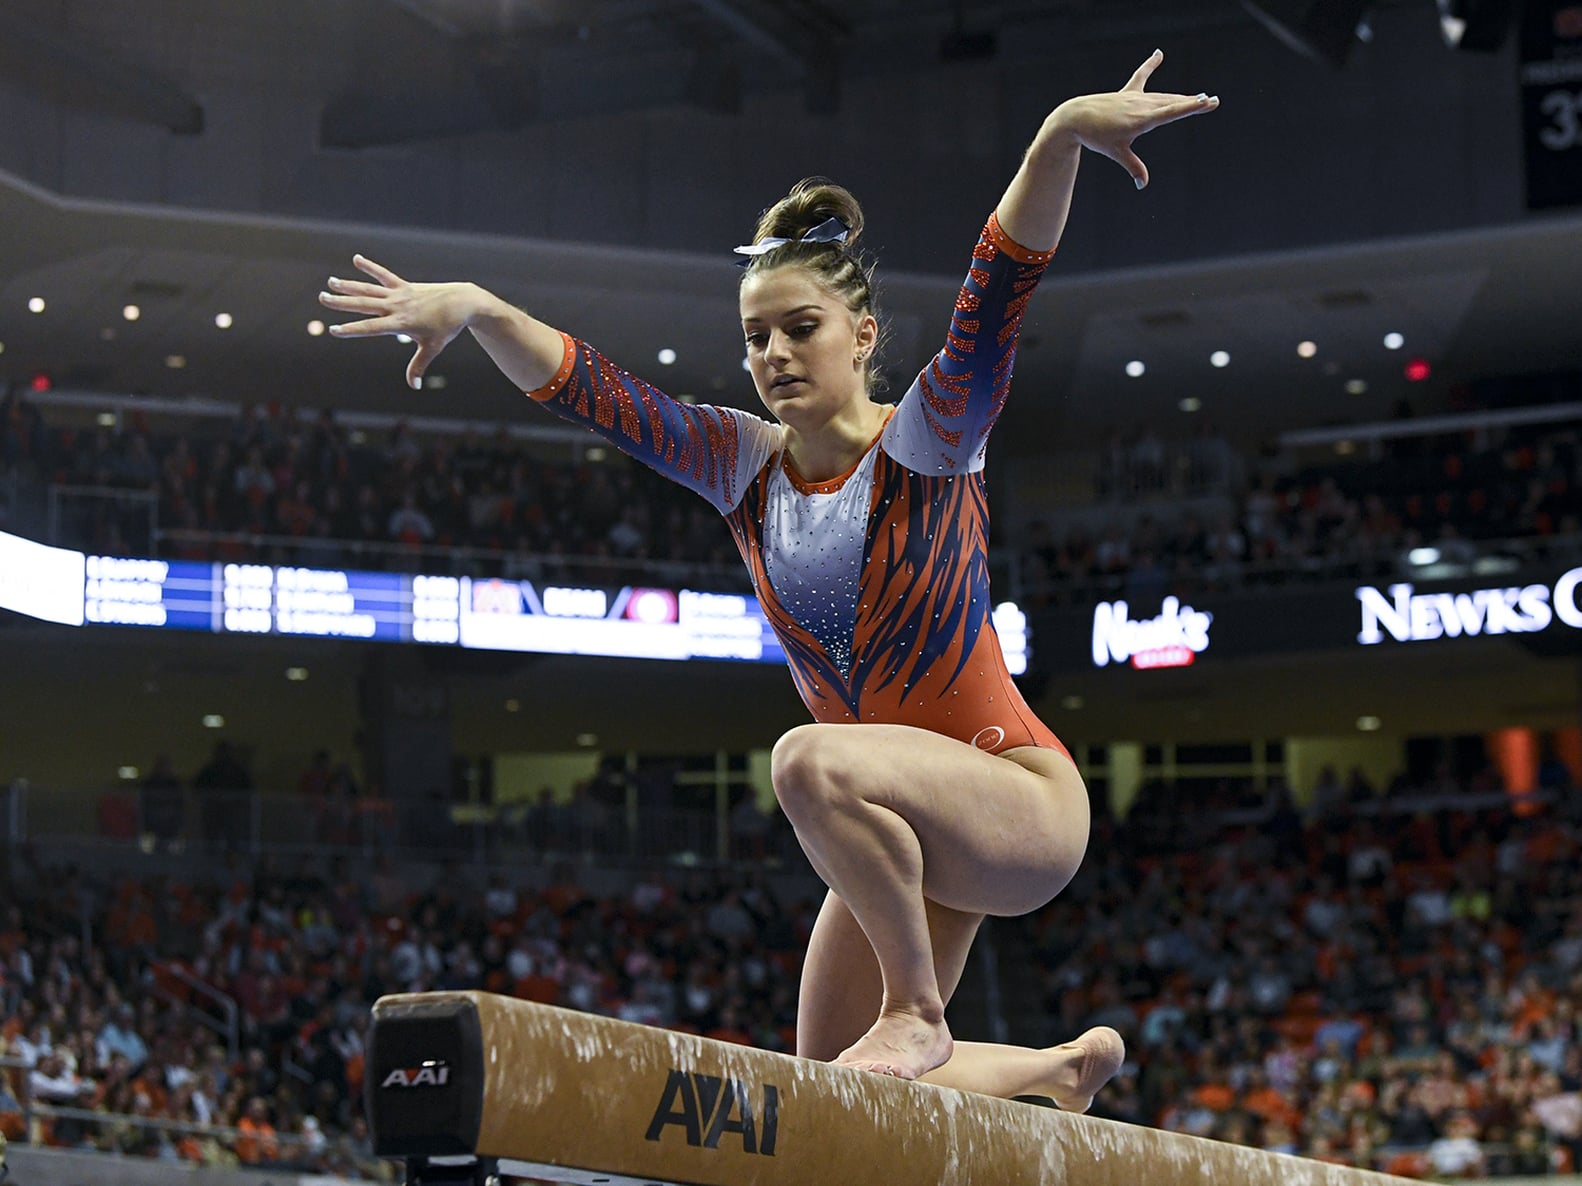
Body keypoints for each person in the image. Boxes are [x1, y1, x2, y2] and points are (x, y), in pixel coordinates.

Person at [321, 51, 1218, 1098]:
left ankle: (917, 1009)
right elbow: (596, 392)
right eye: (755, 337)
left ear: (863, 335)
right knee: (824, 1086)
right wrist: (476, 306)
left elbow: (998, 290)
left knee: (805, 762)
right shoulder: (741, 465)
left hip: (1015, 802)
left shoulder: (928, 438)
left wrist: (1058, 132)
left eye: (802, 327)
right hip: (908, 820)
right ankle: (1054, 1073)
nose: (776, 353)